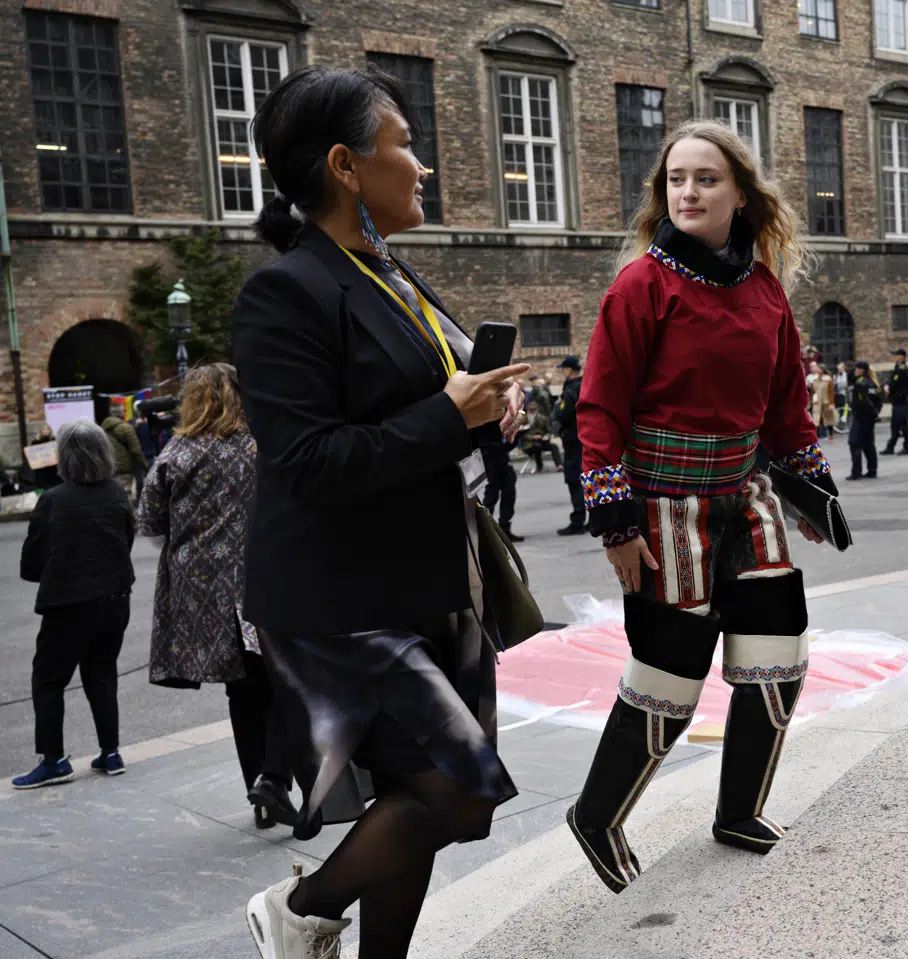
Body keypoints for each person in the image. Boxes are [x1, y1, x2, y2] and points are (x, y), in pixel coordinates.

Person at [231, 65, 528, 958]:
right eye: (403, 142)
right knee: (458, 791)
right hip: (341, 600)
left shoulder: (396, 275)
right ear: (346, 166)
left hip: (429, 582)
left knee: (428, 796)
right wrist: (450, 415)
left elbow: (437, 410)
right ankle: (300, 907)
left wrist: (488, 413)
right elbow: (308, 461)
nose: (422, 164)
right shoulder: (286, 292)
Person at [567, 119, 836, 893]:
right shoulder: (640, 286)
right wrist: (614, 519)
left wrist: (814, 487)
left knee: (777, 660)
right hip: (663, 510)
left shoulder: (765, 291)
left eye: (706, 179)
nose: (688, 191)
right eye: (676, 179)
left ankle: (739, 811)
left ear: (741, 194)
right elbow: (599, 411)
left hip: (748, 500)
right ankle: (597, 815)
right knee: (669, 680)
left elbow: (787, 408)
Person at [136, 363, 296, 829]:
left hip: (203, 592)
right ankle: (274, 776)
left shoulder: (177, 452)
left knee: (242, 692)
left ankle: (263, 799)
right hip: (263, 579)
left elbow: (150, 522)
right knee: (287, 681)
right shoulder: (259, 446)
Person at [12, 420, 134, 789]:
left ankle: (54, 760)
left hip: (68, 604)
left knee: (48, 680)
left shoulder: (54, 500)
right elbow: (126, 539)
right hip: (115, 599)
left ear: (64, 457)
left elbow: (32, 561)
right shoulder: (115, 493)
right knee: (101, 671)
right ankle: (110, 752)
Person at [555, 355, 588, 535]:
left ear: (569, 370)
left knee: (575, 481)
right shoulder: (586, 385)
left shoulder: (570, 391)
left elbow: (562, 414)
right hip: (585, 439)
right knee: (590, 477)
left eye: (563, 369)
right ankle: (595, 519)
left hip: (573, 442)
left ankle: (577, 521)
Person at [100, 404, 149, 503]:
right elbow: (136, 450)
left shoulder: (101, 429)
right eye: (124, 411)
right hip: (124, 469)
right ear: (120, 413)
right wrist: (145, 465)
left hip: (108, 468)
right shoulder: (126, 428)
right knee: (125, 496)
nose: (125, 413)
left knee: (111, 496)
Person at [480, 437, 523, 542]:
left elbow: (509, 443)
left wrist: (516, 436)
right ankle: (484, 531)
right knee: (491, 494)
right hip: (488, 454)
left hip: (502, 455)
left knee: (509, 491)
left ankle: (504, 529)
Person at [847, 360, 882, 480]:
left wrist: (871, 412)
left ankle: (856, 472)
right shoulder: (872, 382)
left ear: (861, 370)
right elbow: (878, 400)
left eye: (856, 369)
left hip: (861, 417)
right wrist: (875, 413)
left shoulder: (860, 383)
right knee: (868, 444)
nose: (854, 371)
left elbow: (864, 401)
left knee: (854, 442)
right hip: (869, 418)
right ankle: (872, 470)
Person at [881, 348, 908, 455]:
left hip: (901, 400)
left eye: (896, 355)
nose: (894, 357)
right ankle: (890, 447)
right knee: (895, 425)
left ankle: (907, 447)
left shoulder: (903, 369)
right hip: (897, 401)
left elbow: (895, 383)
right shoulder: (898, 367)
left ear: (902, 356)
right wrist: (886, 385)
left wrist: (888, 387)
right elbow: (892, 379)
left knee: (903, 425)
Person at [521, 400, 563, 471]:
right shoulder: (523, 419)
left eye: (534, 410)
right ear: (528, 410)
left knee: (554, 446)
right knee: (537, 446)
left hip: (542, 441)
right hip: (529, 443)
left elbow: (548, 431)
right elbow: (521, 434)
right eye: (531, 410)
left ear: (537, 410)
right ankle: (539, 466)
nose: (532, 412)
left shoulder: (543, 418)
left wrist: (547, 436)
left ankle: (559, 465)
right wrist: (533, 437)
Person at [807, 360, 836, 439]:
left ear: (822, 370)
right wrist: (810, 401)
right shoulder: (815, 379)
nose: (816, 369)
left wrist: (831, 403)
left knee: (829, 417)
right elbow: (813, 392)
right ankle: (815, 435)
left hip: (826, 401)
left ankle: (830, 432)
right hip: (817, 401)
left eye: (818, 368)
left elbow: (831, 392)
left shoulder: (828, 379)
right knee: (816, 418)